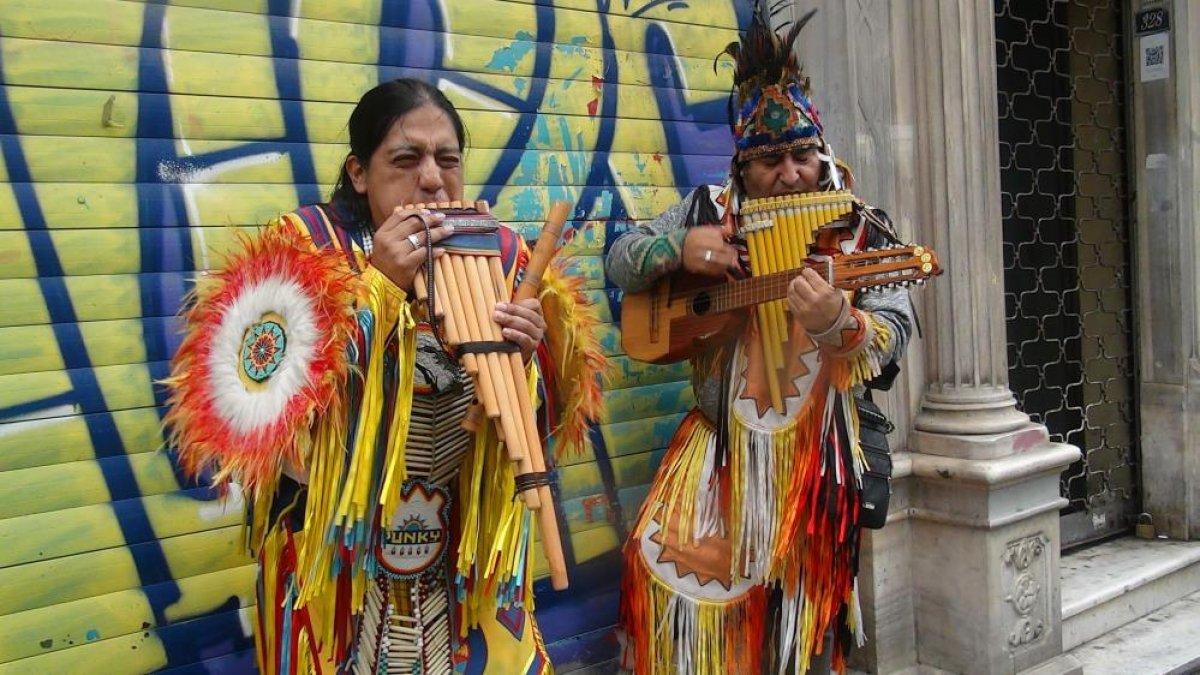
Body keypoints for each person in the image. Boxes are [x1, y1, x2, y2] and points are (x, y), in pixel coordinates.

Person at [164, 78, 604, 674]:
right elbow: (256, 421)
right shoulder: (299, 254)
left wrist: (529, 356)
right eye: (406, 159)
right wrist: (378, 290)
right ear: (358, 173)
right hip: (338, 565)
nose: (432, 179)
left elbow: (544, 423)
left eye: (448, 160)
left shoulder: (502, 258)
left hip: (460, 556)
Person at [607, 8, 914, 674]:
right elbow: (619, 259)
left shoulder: (861, 227)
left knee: (799, 618)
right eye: (771, 158)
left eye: (804, 153)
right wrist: (676, 247)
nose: (792, 173)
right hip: (718, 445)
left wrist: (842, 323)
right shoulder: (704, 211)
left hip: (819, 458)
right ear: (742, 166)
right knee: (659, 567)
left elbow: (896, 329)